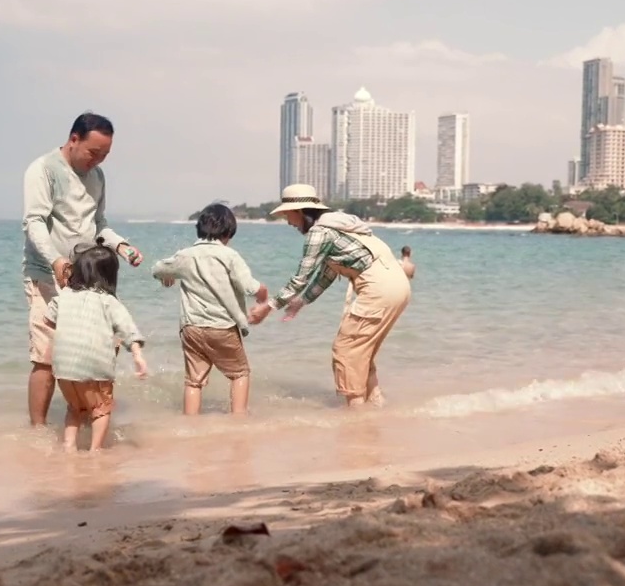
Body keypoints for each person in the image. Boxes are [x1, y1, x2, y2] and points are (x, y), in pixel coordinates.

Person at [22, 113, 143, 428]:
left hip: (89, 279)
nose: (98, 160)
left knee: (98, 351)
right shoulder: (43, 170)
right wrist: (55, 260)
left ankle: (81, 419)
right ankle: (37, 431)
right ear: (73, 139)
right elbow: (34, 222)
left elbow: (98, 225)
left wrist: (121, 247)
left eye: (105, 155)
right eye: (93, 152)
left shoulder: (98, 176)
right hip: (47, 275)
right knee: (46, 358)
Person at [248, 184, 411, 409]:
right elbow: (328, 273)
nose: (287, 222)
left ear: (300, 212)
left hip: (378, 289)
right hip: (397, 286)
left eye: (287, 215)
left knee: (345, 351)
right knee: (362, 351)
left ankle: (356, 415)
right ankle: (376, 405)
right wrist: (302, 302)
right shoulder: (339, 225)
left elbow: (300, 279)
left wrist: (268, 307)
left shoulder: (319, 232)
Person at [152, 203, 267, 415]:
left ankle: (191, 424)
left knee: (193, 381)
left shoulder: (186, 255)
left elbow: (158, 269)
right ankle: (239, 419)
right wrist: (263, 293)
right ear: (228, 232)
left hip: (191, 328)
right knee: (239, 373)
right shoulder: (230, 256)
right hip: (222, 327)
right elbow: (249, 286)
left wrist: (167, 277)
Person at [43, 240, 147, 452]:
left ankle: (69, 446)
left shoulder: (65, 295)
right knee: (101, 409)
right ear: (110, 275)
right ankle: (95, 450)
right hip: (94, 368)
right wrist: (137, 354)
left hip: (63, 369)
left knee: (75, 408)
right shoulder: (108, 300)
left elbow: (47, 319)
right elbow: (127, 327)